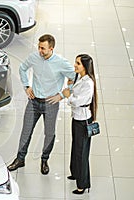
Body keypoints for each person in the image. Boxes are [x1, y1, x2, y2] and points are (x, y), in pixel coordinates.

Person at [7, 34, 75, 174]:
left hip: (51, 103)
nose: (40, 51)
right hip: (34, 102)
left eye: (43, 48)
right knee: (26, 131)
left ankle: (44, 160)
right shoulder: (34, 57)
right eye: (39, 47)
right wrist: (27, 86)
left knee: (49, 134)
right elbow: (22, 68)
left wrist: (62, 95)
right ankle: (20, 159)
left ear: (51, 48)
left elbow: (76, 78)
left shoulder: (61, 63)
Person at [62, 54, 97, 194]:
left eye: (78, 63)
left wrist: (68, 96)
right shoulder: (79, 77)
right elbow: (73, 90)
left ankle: (83, 184)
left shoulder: (89, 83)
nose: (75, 65)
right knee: (75, 147)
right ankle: (75, 173)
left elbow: (78, 101)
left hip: (83, 121)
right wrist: (70, 87)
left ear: (85, 67)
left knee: (81, 152)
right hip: (76, 117)